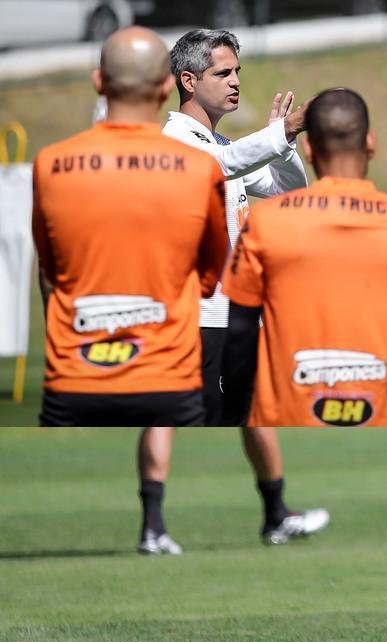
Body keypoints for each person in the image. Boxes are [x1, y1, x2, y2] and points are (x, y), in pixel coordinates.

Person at [136, 29, 326, 555]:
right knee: (172, 414)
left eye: (238, 71)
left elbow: (290, 191)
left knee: (253, 414)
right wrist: (279, 132)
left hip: (236, 314)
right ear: (189, 80)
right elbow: (212, 170)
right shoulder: (173, 141)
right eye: (224, 73)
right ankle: (153, 526)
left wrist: (280, 139)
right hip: (193, 314)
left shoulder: (224, 145)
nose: (236, 81)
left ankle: (275, 514)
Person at [33, 26, 228, 426]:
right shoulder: (199, 169)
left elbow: (51, 274)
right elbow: (210, 277)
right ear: (164, 87)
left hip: (75, 377)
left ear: (98, 82)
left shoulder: (51, 164)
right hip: (168, 377)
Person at [219, 88, 387, 427]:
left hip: (286, 415)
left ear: (309, 150)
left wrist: (236, 401)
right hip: (384, 414)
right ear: (370, 142)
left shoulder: (265, 222)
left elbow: (240, 326)